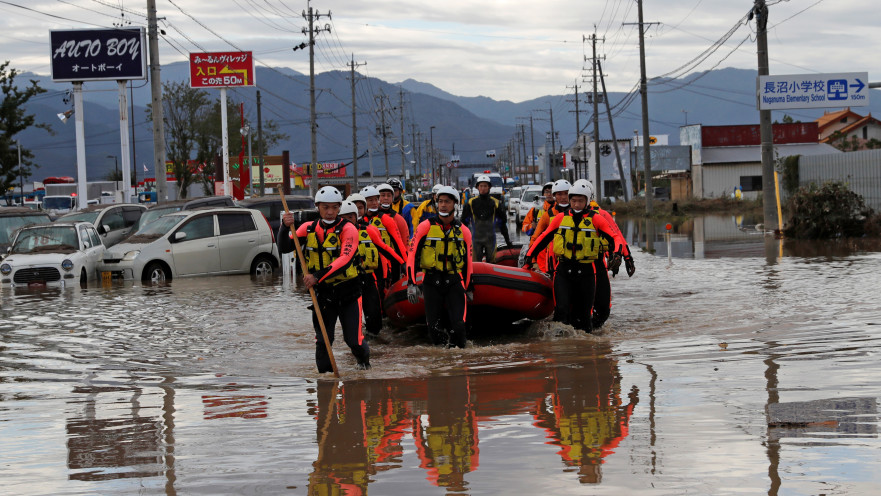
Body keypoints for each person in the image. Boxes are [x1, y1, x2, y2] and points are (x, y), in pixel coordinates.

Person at [278, 186, 370, 372]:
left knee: (353, 340)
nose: (330, 212)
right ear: (318, 207)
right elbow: (284, 247)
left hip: (348, 293)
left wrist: (316, 277)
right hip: (323, 295)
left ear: (339, 208)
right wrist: (283, 226)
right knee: (323, 341)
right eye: (325, 207)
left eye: (335, 208)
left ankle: (364, 365)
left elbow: (345, 260)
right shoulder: (308, 228)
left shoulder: (349, 229)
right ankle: (325, 383)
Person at [522, 181, 627, 333]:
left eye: (580, 201)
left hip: (587, 272)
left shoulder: (596, 219)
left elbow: (615, 237)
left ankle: (584, 351)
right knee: (561, 312)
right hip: (564, 271)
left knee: (584, 318)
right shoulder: (560, 218)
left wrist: (617, 253)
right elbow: (543, 238)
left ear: (587, 201)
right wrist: (530, 256)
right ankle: (561, 352)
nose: (576, 204)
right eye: (574, 201)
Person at [407, 186, 474, 348]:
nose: (443, 205)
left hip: (454, 281)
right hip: (431, 281)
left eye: (447, 202)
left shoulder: (464, 231)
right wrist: (411, 283)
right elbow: (412, 254)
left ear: (455, 204)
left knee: (458, 327)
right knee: (434, 330)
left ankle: (460, 362)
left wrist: (469, 286)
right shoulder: (425, 226)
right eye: (441, 201)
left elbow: (469, 262)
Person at [570, 179, 636, 329]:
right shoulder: (565, 215)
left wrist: (626, 257)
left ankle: (591, 332)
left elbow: (617, 236)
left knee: (603, 307)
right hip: (570, 264)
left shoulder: (601, 215)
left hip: (596, 262)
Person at [340, 198, 405, 337]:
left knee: (374, 315)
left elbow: (386, 249)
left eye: (350, 217)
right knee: (351, 317)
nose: (347, 221)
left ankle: (374, 340)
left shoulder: (369, 231)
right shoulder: (333, 234)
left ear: (356, 216)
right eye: (343, 218)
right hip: (346, 281)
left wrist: (404, 264)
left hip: (367, 277)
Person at [360, 185, 408, 293]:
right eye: (370, 200)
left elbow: (400, 243)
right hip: (365, 266)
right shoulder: (357, 222)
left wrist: (405, 263)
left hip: (387, 263)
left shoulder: (388, 219)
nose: (374, 203)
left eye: (376, 200)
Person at [460, 174, 512, 262]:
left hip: (490, 240)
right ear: (477, 187)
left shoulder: (496, 203)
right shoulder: (470, 203)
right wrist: (463, 240)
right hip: (475, 240)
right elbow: (463, 223)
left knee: (491, 264)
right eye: (481, 186)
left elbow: (502, 223)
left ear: (489, 187)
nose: (483, 188)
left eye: (485, 186)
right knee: (475, 266)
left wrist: (507, 240)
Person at [527, 179, 572, 275]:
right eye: (560, 194)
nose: (563, 197)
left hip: (574, 259)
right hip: (552, 260)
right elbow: (536, 238)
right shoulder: (547, 215)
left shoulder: (578, 213)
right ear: (555, 196)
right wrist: (533, 261)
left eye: (566, 194)